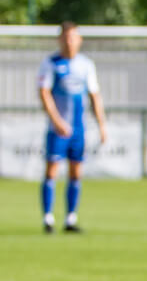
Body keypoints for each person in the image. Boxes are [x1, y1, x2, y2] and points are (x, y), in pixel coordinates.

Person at [37, 22, 108, 233]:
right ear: (60, 40)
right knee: (52, 171)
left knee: (76, 172)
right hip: (57, 129)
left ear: (79, 40)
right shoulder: (50, 63)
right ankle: (48, 218)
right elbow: (44, 93)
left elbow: (94, 95)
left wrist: (102, 125)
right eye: (66, 37)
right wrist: (58, 122)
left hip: (78, 129)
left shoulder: (86, 65)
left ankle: (70, 219)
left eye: (73, 37)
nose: (69, 41)